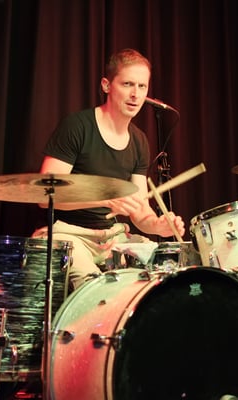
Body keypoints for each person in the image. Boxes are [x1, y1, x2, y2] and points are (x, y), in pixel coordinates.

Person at [32, 48, 186, 290]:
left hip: (113, 237)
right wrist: (104, 199)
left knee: (166, 274)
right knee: (96, 289)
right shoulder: (77, 127)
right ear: (106, 85)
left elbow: (139, 210)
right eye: (127, 84)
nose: (135, 94)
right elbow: (45, 196)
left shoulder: (139, 141)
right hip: (71, 235)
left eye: (142, 86)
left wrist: (158, 225)